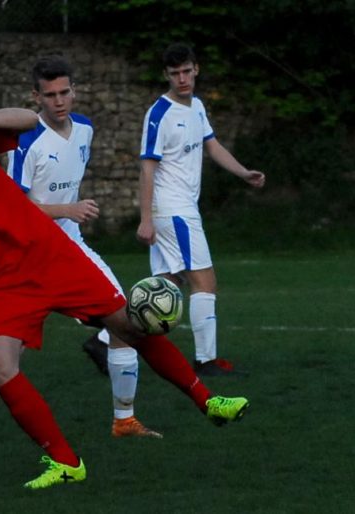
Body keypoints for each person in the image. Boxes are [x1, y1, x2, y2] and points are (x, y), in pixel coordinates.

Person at [0, 99, 250, 490]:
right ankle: (65, 461)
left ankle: (208, 401)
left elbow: (30, 119)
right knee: (0, 366)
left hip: (48, 254)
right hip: (1, 282)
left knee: (129, 326)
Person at [0, 56, 161, 447]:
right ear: (36, 97)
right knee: (9, 346)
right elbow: (11, 206)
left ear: (74, 91)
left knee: (126, 323)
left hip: (70, 247)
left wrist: (69, 216)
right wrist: (68, 209)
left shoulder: (84, 129)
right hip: (27, 254)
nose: (59, 100)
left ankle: (125, 419)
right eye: (49, 95)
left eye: (65, 92)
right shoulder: (25, 142)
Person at [137, 43, 266, 376]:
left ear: (196, 69)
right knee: (205, 283)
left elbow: (212, 145)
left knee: (165, 288)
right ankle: (206, 360)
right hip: (173, 211)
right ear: (166, 75)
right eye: (175, 73)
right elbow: (147, 168)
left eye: (186, 71)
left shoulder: (196, 106)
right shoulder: (160, 114)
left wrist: (243, 172)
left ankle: (108, 339)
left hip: (180, 209)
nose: (182, 78)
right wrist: (146, 220)